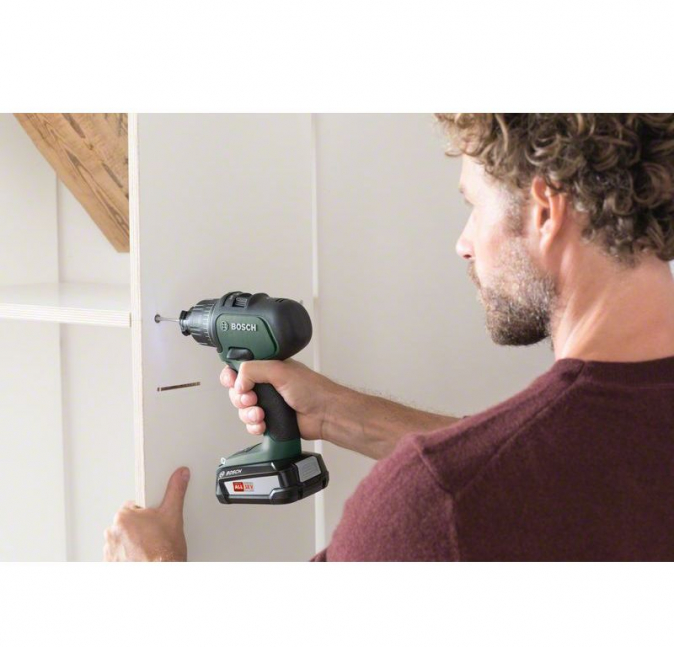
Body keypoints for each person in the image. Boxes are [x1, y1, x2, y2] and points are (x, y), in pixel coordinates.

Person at [105, 114, 674, 561]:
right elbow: (561, 473)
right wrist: (338, 414)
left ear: (546, 211)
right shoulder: (613, 440)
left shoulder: (432, 509)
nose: (464, 243)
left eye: (474, 206)